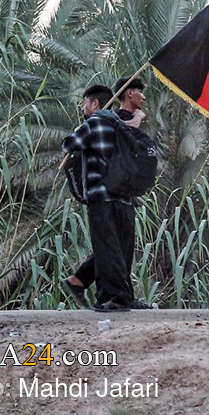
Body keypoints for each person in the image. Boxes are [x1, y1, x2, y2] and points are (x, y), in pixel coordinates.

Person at [60, 81, 149, 312]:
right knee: (121, 249)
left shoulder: (93, 124)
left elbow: (69, 144)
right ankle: (124, 296)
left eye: (85, 104)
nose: (83, 109)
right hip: (125, 196)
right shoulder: (124, 126)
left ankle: (110, 298)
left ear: (95, 103)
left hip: (100, 196)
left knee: (106, 247)